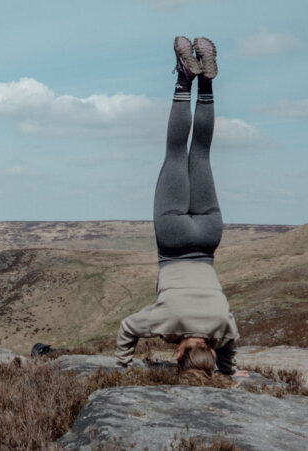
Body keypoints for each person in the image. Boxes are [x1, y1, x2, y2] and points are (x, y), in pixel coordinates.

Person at [115, 36, 247, 378]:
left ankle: (205, 81)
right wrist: (122, 368)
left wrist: (229, 373)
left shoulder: (222, 328)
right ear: (178, 354)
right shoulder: (166, 321)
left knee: (201, 152)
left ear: (210, 352)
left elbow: (231, 344)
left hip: (207, 238)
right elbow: (128, 328)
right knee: (176, 153)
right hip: (173, 243)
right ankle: (184, 78)